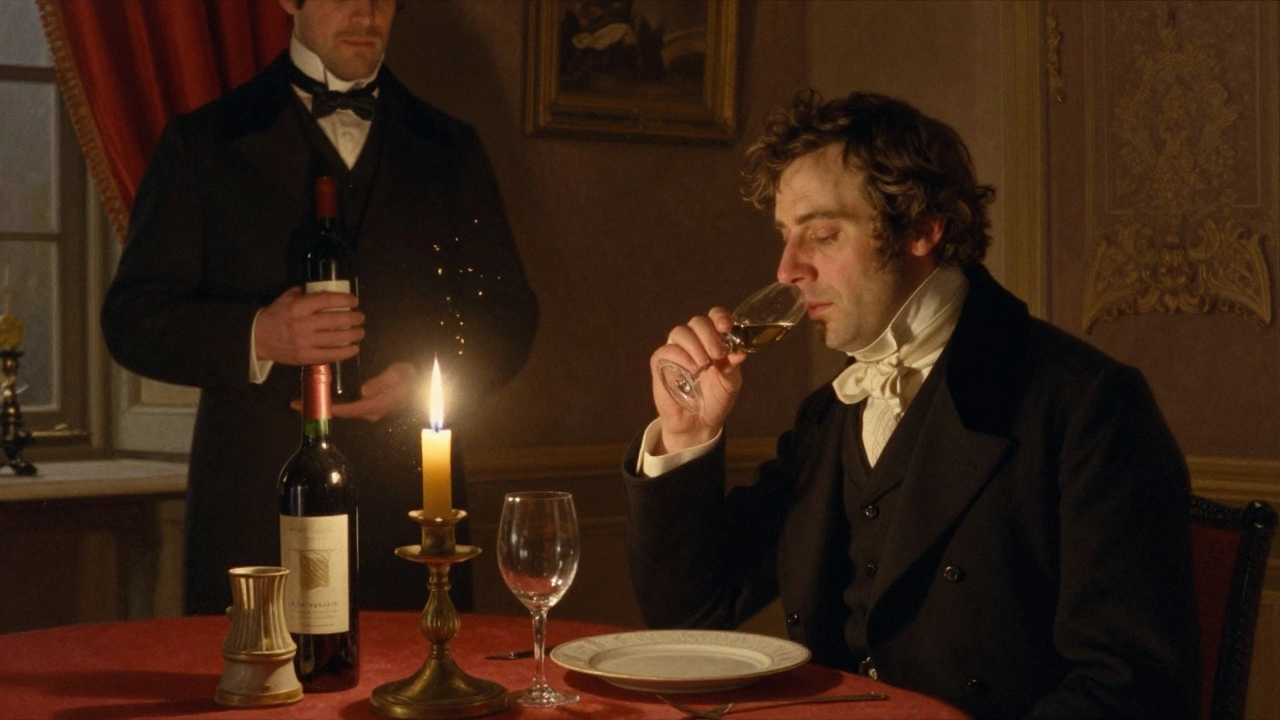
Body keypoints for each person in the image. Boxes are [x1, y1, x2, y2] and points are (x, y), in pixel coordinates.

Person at [623, 89, 1197, 719]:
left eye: (821, 233)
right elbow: (692, 610)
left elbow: (1132, 687)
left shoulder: (1087, 404)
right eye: (786, 236)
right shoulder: (828, 415)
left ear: (923, 228)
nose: (787, 268)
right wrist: (686, 436)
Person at [101, 0, 538, 615]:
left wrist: (420, 379)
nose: (366, 14)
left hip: (407, 513)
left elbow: (507, 315)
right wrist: (259, 334)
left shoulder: (450, 147)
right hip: (253, 512)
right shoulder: (204, 142)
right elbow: (132, 320)